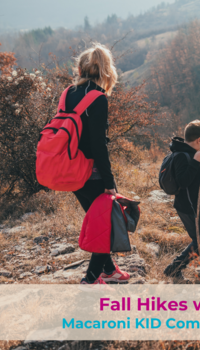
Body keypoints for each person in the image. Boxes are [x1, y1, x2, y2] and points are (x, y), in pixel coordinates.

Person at [68, 43, 130, 289]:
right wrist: (109, 182)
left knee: (98, 221)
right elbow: (98, 146)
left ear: (81, 69)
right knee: (105, 227)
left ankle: (109, 269)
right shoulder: (98, 98)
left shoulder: (69, 93)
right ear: (106, 70)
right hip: (91, 173)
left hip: (71, 171)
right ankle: (91, 279)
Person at [163, 120, 200, 283]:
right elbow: (183, 181)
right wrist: (196, 162)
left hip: (196, 204)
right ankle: (173, 268)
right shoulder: (184, 155)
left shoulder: (187, 152)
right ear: (199, 140)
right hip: (189, 207)